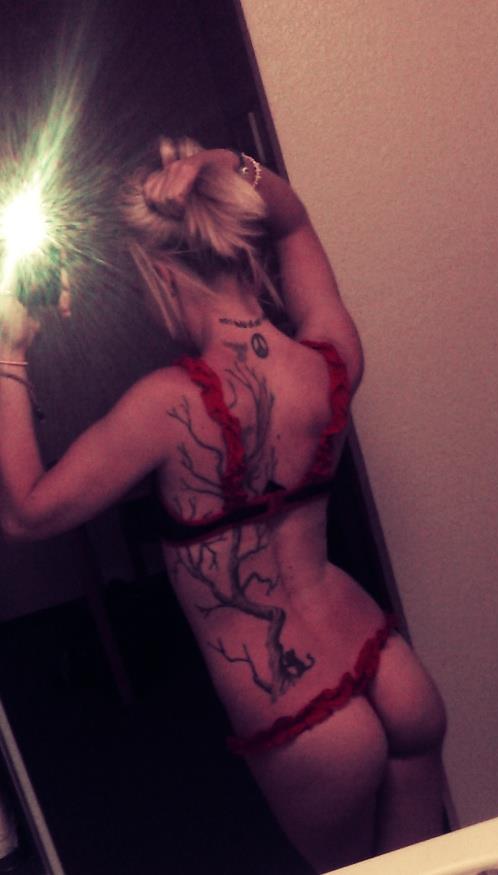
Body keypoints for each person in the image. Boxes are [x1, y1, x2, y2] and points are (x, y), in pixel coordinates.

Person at [0, 139, 447, 872]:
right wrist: (230, 163)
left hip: (300, 710)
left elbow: (25, 512)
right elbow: (294, 224)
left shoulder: (163, 407)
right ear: (243, 246)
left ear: (159, 273)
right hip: (385, 663)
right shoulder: (329, 356)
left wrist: (9, 348)